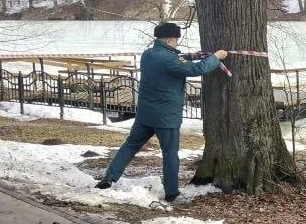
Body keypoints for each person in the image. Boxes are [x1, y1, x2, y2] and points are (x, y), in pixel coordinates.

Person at [96, 23, 228, 202]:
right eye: (175, 40)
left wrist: (192, 55)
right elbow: (195, 69)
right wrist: (216, 57)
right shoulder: (170, 60)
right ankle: (172, 192)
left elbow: (175, 61)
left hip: (145, 115)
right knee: (170, 154)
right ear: (168, 39)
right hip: (166, 118)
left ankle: (109, 178)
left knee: (130, 146)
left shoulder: (147, 55)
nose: (176, 44)